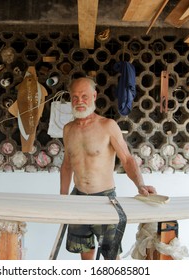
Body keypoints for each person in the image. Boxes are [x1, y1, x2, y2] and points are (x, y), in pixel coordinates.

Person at [60, 77, 157, 260]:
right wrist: (63, 197)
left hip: (105, 199)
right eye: (75, 97)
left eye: (84, 96)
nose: (79, 101)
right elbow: (67, 165)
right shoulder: (68, 129)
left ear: (94, 96)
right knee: (85, 252)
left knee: (111, 256)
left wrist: (141, 186)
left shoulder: (108, 126)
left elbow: (127, 159)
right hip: (78, 198)